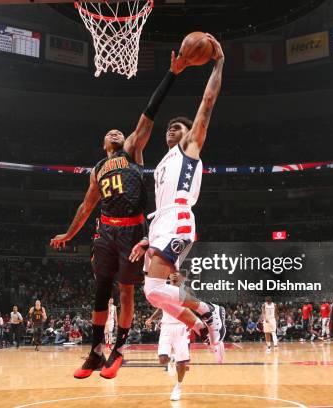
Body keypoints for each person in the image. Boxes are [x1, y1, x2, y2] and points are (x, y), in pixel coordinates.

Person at [50, 51, 189, 379]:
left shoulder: (132, 151)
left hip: (132, 231)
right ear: (103, 145)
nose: (115, 133)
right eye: (109, 133)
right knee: (101, 289)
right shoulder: (97, 169)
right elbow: (86, 207)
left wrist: (171, 72)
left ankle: (119, 349)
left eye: (118, 131)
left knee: (126, 290)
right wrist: (69, 235)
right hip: (106, 231)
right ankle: (95, 350)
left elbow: (149, 112)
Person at [136, 34, 227, 363]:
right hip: (161, 222)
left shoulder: (189, 149)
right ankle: (200, 325)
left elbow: (207, 104)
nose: (170, 130)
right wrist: (147, 240)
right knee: (153, 292)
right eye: (169, 127)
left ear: (189, 134)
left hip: (178, 217)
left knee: (156, 290)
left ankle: (209, 311)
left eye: (177, 127)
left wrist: (218, 63)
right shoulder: (162, 162)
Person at [145, 272, 190, 401]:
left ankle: (178, 387)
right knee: (162, 359)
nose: (174, 276)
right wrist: (151, 318)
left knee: (182, 362)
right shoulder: (163, 289)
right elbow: (160, 308)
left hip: (181, 327)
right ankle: (171, 360)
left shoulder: (186, 291)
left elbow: (192, 309)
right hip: (166, 326)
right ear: (169, 277)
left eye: (178, 275)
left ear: (182, 278)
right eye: (172, 274)